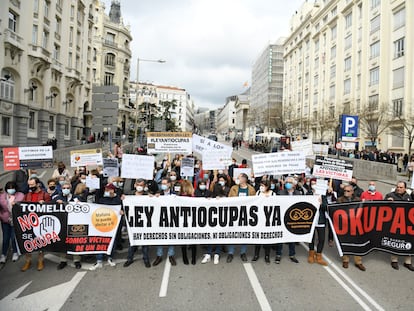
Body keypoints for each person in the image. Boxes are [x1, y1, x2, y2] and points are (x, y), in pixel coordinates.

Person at [89, 183, 123, 271]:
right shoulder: (102, 199)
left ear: (113, 190)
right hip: (102, 223)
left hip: (113, 224)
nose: (106, 191)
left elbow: (123, 209)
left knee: (112, 241)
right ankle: (99, 259)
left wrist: (122, 211)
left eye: (108, 190)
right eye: (105, 190)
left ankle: (110, 257)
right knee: (101, 240)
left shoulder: (119, 199)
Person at [21, 177, 51, 272]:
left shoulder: (45, 194)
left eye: (32, 185)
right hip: (28, 222)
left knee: (40, 242)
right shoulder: (27, 195)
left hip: (40, 222)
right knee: (27, 240)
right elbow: (22, 206)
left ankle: (40, 261)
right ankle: (28, 261)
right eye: (29, 185)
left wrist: (45, 203)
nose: (30, 187)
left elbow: (51, 207)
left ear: (38, 184)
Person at [384, 181, 414, 271]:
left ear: (405, 188)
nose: (398, 189)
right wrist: (387, 202)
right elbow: (381, 207)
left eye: (401, 187)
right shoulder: (390, 195)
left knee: (408, 241)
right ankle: (394, 260)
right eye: (397, 187)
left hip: (407, 224)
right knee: (396, 241)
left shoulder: (408, 197)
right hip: (395, 224)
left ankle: (407, 262)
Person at [227, 173, 256, 263]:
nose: (237, 179)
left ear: (244, 179)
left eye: (239, 177)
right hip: (234, 213)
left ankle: (243, 252)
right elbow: (229, 199)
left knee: (244, 233)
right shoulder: (234, 188)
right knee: (232, 232)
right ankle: (230, 252)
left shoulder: (251, 189)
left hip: (246, 214)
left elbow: (255, 201)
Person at [336, 184, 366, 271]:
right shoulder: (340, 200)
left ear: (352, 192)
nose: (346, 192)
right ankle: (345, 260)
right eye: (344, 191)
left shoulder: (357, 200)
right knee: (345, 241)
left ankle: (358, 262)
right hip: (344, 225)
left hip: (355, 224)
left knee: (357, 242)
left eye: (348, 191)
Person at [124, 179, 151, 268]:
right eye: (138, 184)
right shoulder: (129, 196)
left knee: (145, 242)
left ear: (144, 186)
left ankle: (146, 259)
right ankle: (129, 258)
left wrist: (154, 197)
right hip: (133, 222)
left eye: (142, 185)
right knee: (132, 241)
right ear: (135, 185)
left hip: (144, 222)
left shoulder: (148, 196)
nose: (139, 186)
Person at [275, 176, 301, 264]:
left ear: (294, 184)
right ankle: (278, 254)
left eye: (290, 182)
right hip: (282, 218)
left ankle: (292, 254)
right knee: (280, 237)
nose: (287, 184)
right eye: (286, 182)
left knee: (292, 237)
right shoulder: (280, 193)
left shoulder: (298, 194)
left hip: (293, 218)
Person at [153, 178, 177, 266]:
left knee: (171, 237)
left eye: (165, 183)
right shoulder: (158, 193)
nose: (163, 185)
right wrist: (153, 197)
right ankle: (159, 255)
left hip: (171, 218)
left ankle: (171, 255)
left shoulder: (174, 194)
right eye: (162, 183)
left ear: (169, 184)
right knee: (160, 237)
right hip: (160, 218)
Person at [0, 181, 24, 264]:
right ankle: (3, 254)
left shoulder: (20, 195)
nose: (11, 190)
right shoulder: (2, 196)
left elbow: (20, 203)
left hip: (15, 220)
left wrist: (15, 203)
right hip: (5, 220)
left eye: (12, 188)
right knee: (6, 238)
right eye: (9, 188)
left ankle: (15, 252)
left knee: (14, 238)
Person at [252, 180, 275, 264]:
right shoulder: (258, 193)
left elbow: (276, 204)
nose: (261, 187)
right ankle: (256, 255)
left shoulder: (272, 194)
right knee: (258, 238)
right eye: (261, 185)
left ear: (267, 186)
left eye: (263, 185)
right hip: (259, 218)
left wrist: (269, 200)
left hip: (268, 219)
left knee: (267, 239)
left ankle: (267, 256)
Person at [307, 179, 328, 266]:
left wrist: (321, 203)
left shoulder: (323, 195)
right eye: (312, 184)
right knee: (311, 238)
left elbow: (326, 207)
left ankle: (319, 255)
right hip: (311, 220)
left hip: (321, 220)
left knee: (322, 239)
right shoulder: (308, 194)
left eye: (315, 184)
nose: (314, 185)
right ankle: (311, 254)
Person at [179, 180, 197, 265]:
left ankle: (187, 258)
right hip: (186, 221)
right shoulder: (179, 197)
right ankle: (190, 258)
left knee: (188, 240)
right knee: (188, 240)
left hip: (189, 221)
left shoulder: (193, 197)